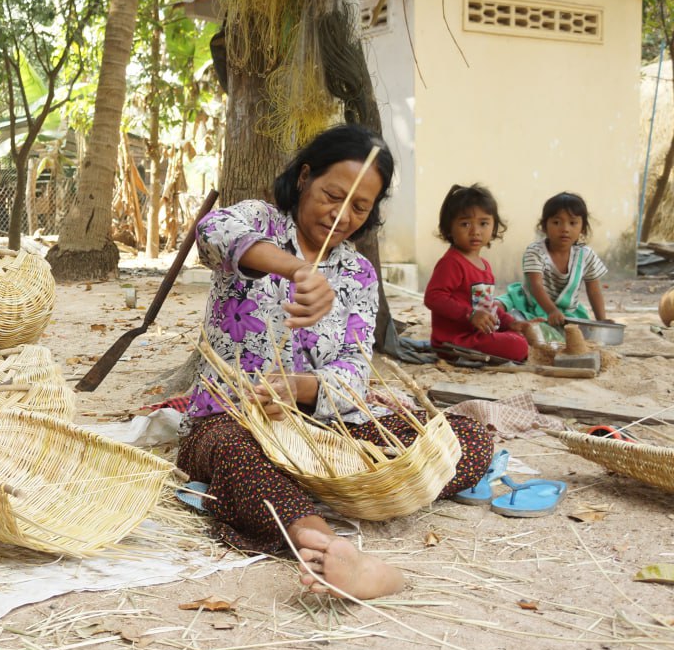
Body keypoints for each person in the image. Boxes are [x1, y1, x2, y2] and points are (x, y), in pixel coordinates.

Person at [178, 125, 491, 601]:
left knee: (464, 438)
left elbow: (353, 372)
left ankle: (330, 492)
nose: (341, 215)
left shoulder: (358, 273)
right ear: (305, 177)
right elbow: (211, 231)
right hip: (232, 420)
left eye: (359, 207)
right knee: (235, 455)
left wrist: (300, 387)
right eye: (332, 195)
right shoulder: (259, 222)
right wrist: (296, 269)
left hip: (325, 435)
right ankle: (329, 546)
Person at [424, 184, 532, 362]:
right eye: (465, 224)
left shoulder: (485, 266)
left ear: (494, 227)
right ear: (449, 228)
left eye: (483, 223)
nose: (475, 231)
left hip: (477, 334)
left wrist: (509, 322)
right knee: (517, 346)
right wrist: (470, 314)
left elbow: (486, 306)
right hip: (454, 341)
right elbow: (433, 297)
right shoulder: (452, 263)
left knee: (518, 336)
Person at [497, 192, 608, 340]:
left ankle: (530, 328)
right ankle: (515, 323)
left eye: (573, 223)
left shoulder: (586, 256)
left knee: (575, 334)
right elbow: (536, 285)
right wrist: (551, 311)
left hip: (564, 313)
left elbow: (594, 290)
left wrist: (602, 321)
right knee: (495, 306)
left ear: (582, 228)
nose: (565, 229)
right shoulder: (535, 251)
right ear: (544, 226)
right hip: (527, 302)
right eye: (556, 222)